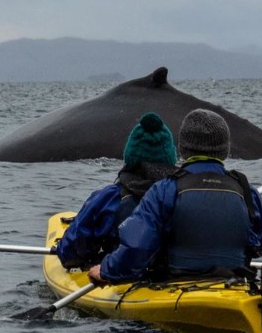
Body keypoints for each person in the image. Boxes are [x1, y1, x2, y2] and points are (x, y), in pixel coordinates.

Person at [89, 108, 262, 284]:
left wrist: (106, 270)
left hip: (176, 282)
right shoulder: (245, 190)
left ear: (183, 149)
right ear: (224, 150)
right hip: (233, 282)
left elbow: (138, 247)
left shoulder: (165, 190)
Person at [56, 112, 178, 269]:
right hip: (178, 277)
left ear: (129, 156)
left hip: (121, 276)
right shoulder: (185, 194)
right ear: (170, 157)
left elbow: (70, 254)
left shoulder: (109, 197)